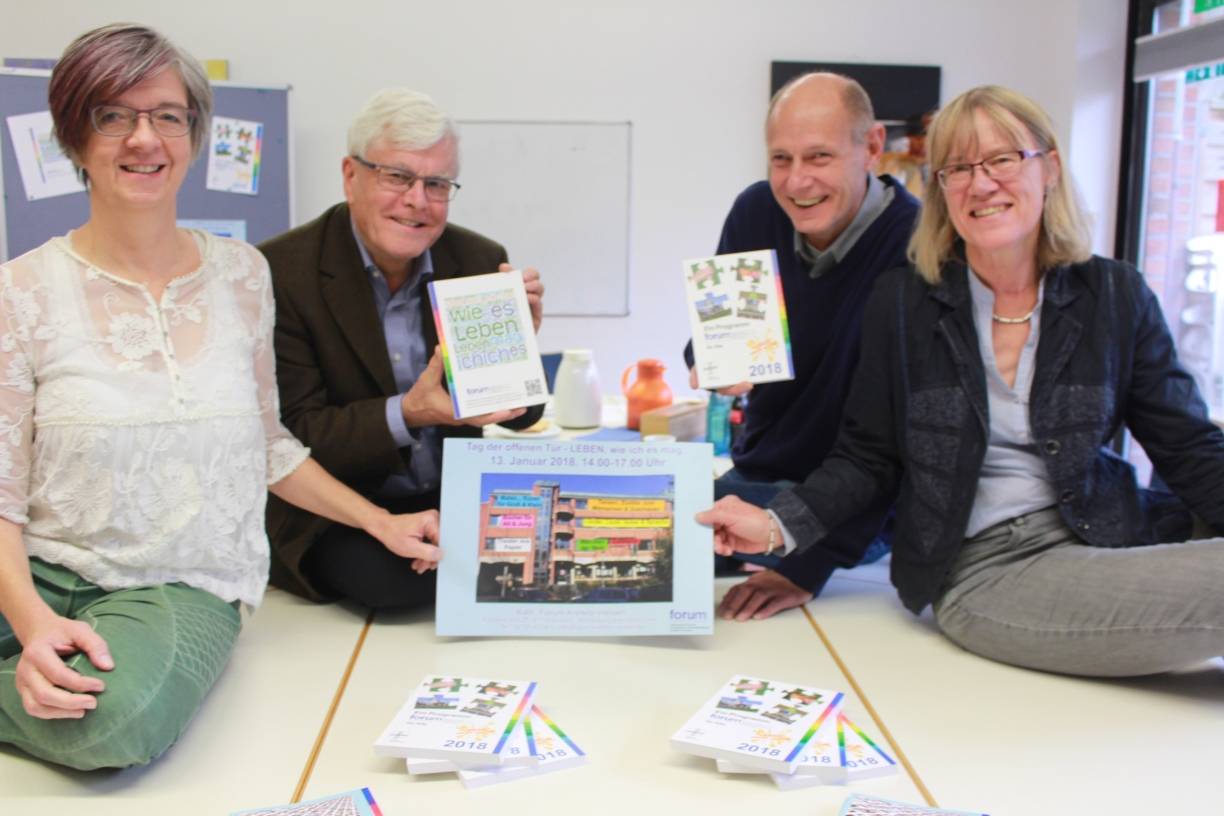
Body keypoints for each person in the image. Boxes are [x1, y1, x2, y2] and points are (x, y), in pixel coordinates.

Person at [0, 24, 440, 771]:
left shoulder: (242, 276)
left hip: (178, 585)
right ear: (75, 136)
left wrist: (380, 522)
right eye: (114, 115)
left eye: (168, 115)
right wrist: (33, 620)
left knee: (118, 722)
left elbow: (267, 442)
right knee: (68, 676)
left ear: (195, 135)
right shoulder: (21, 290)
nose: (145, 138)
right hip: (35, 568)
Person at [699, 84, 1224, 678]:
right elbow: (869, 457)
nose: (981, 183)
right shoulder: (906, 300)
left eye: (1003, 160)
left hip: (1105, 527)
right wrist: (778, 528)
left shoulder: (1114, 292)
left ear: (1049, 167)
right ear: (941, 187)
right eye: (957, 168)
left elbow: (1187, 446)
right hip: (988, 560)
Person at [260, 89, 545, 611]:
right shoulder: (281, 272)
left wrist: (522, 355)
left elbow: (520, 417)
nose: (418, 200)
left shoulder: (478, 257)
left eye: (437, 184)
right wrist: (408, 414)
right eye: (397, 177)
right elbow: (295, 435)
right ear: (351, 176)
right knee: (392, 587)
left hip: (452, 494)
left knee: (562, 551)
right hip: (340, 505)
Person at [683, 73, 919, 616]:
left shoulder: (918, 250)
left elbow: (894, 453)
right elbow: (713, 334)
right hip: (759, 474)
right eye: (780, 159)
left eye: (819, 157)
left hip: (857, 506)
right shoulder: (756, 211)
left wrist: (804, 563)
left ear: (873, 147)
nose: (796, 182)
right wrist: (710, 361)